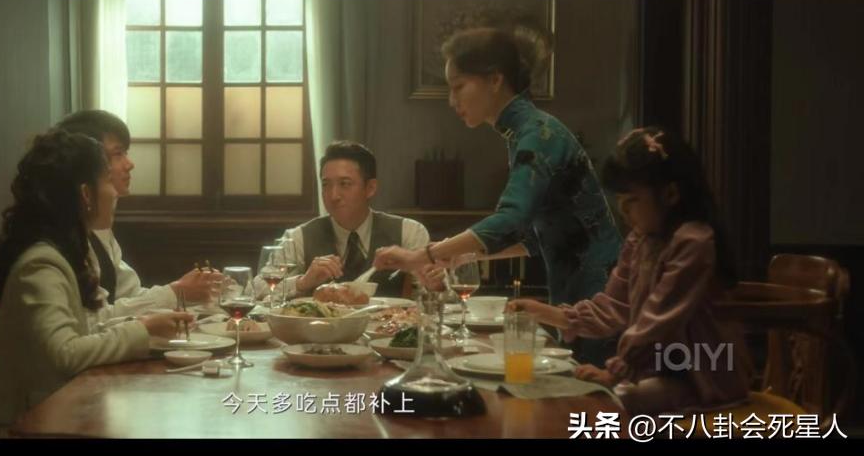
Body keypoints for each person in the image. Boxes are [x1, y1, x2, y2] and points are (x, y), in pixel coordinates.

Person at [374, 25, 623, 364]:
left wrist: (423, 255)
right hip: (578, 292)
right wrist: (464, 256)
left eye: (458, 86)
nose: (452, 101)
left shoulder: (537, 134)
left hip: (600, 295)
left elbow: (511, 220)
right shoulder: (525, 132)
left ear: (494, 80)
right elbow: (533, 236)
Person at [507, 127, 750, 416]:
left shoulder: (693, 242)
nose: (622, 210)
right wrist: (547, 314)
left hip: (705, 376)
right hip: (662, 371)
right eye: (619, 199)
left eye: (632, 200)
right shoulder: (640, 240)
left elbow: (658, 318)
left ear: (670, 193)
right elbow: (614, 305)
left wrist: (617, 370)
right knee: (581, 394)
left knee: (610, 402)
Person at [0, 130, 193, 437]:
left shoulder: (67, 252)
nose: (114, 193)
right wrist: (143, 330)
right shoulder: (41, 264)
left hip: (55, 417)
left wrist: (146, 325)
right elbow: (65, 354)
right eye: (108, 181)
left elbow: (87, 327)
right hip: (20, 428)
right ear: (86, 194)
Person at [54, 110, 224, 325]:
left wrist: (184, 292)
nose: (129, 164)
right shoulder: (61, 241)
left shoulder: (99, 229)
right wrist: (175, 292)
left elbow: (129, 294)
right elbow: (89, 321)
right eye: (118, 154)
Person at [265, 141, 432, 299]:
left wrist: (434, 283)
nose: (333, 195)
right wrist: (303, 282)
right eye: (326, 185)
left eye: (345, 184)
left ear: (370, 188)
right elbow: (260, 287)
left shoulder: (409, 232)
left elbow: (434, 294)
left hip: (390, 319)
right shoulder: (298, 237)